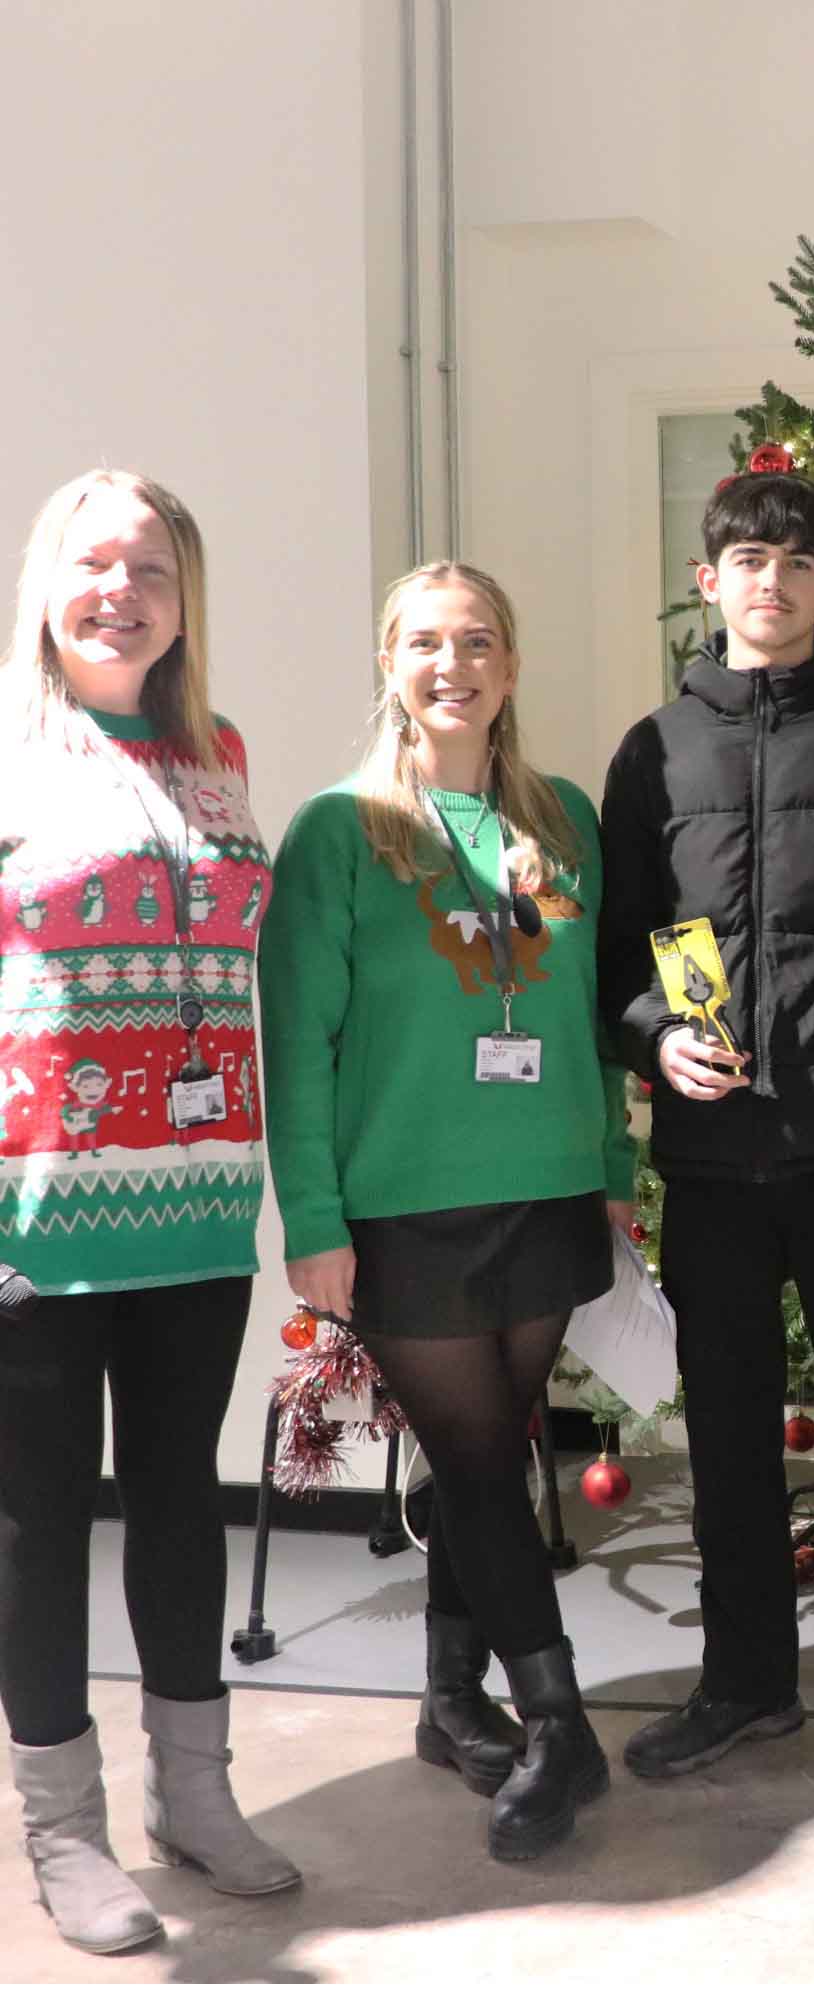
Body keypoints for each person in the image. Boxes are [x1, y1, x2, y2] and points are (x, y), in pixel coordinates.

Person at [261, 562, 636, 1862]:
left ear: (512, 667)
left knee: (486, 1452)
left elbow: (584, 1016)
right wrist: (312, 1217)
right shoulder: (341, 832)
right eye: (426, 642)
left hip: (544, 1188)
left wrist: (617, 1179)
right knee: (478, 1464)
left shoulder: (565, 821)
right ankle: (559, 1722)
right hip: (405, 1205)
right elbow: (294, 1038)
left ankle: (446, 1699)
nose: (453, 663)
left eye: (478, 641)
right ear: (389, 662)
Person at [597, 472, 814, 1790]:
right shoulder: (655, 750)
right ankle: (743, 1684)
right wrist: (654, 1034)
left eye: (800, 559)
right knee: (729, 1441)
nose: (774, 579)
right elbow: (624, 954)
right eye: (750, 557)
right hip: (712, 1167)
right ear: (711, 582)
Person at [0, 471, 299, 1957]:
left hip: (193, 1204)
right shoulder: (4, 753)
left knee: (180, 1496)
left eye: (154, 569)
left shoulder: (217, 752)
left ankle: (197, 1794)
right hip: (33, 1222)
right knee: (40, 1522)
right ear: (46, 584)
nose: (122, 590)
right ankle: (63, 1833)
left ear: (186, 601)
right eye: (93, 562)